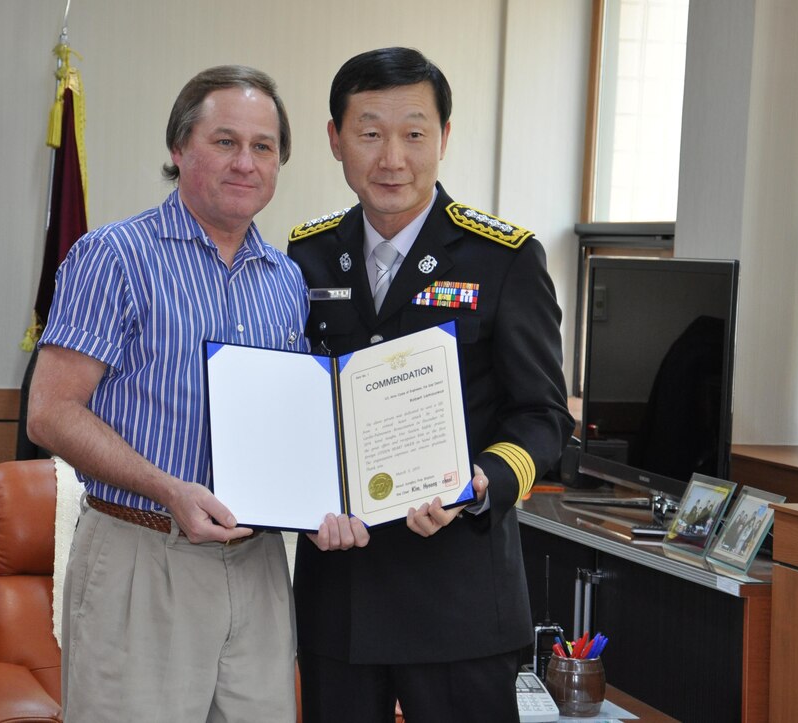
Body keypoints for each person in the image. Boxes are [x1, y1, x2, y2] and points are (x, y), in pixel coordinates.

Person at [287, 47, 575, 722]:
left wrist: (482, 483)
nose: (392, 158)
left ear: (444, 137)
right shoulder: (303, 256)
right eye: (369, 133)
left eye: (414, 133)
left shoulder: (502, 259)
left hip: (460, 600)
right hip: (341, 599)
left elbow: (543, 417)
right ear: (335, 140)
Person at [27, 65, 307, 722]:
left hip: (261, 564)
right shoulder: (113, 257)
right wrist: (168, 488)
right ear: (179, 149)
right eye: (225, 141)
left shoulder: (287, 280)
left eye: (263, 146)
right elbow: (50, 412)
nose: (246, 162)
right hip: (141, 553)